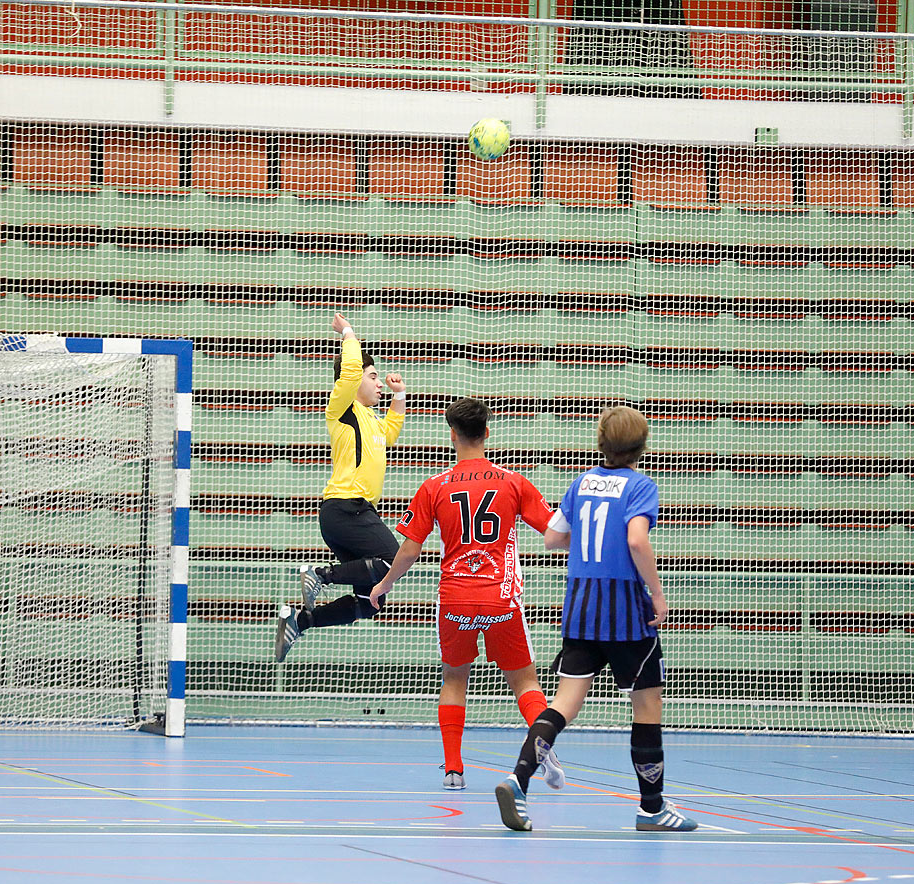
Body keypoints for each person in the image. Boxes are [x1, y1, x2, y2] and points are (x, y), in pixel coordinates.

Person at [495, 405, 697, 833]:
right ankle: (652, 808)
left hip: (581, 607)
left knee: (564, 703)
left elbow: (552, 539)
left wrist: (590, 543)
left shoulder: (581, 482)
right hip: (624, 610)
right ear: (642, 446)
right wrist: (657, 595)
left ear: (600, 441)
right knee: (646, 705)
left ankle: (519, 779)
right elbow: (637, 540)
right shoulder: (641, 486)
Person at [368, 397, 565, 792]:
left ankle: (454, 771)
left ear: (453, 436)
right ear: (487, 433)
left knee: (454, 679)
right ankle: (542, 751)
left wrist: (384, 584)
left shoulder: (435, 486)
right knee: (525, 683)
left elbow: (409, 549)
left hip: (455, 597)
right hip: (501, 598)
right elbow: (553, 533)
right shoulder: (514, 482)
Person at [274, 313, 406, 663]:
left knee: (371, 602)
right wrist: (348, 332)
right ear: (354, 382)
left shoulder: (371, 421)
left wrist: (399, 396)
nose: (378, 383)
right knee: (392, 561)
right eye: (374, 376)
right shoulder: (343, 408)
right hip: (346, 509)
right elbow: (350, 370)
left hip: (354, 513)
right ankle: (319, 574)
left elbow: (390, 432)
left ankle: (302, 620)